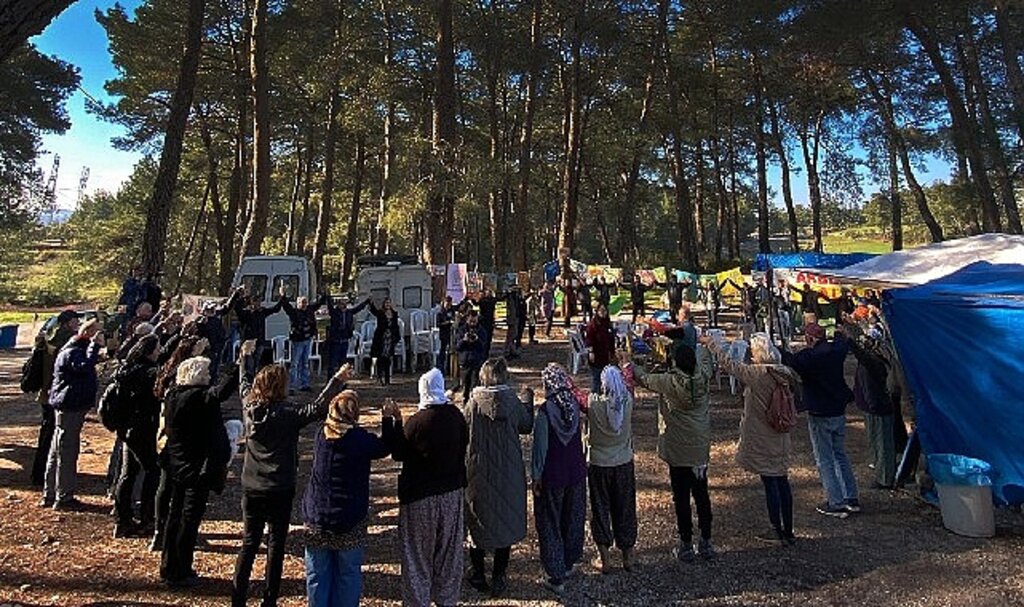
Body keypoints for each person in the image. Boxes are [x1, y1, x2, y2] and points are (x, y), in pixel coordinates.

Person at [231, 341, 351, 607]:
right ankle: (269, 598)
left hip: (252, 484)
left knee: (249, 542)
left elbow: (243, 383)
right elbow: (318, 408)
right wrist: (337, 380)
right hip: (280, 485)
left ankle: (237, 598)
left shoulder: (249, 407)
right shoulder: (288, 414)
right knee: (276, 544)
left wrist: (244, 359)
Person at [303, 390, 399, 607]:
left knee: (317, 575)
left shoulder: (321, 435)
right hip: (349, 518)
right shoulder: (357, 439)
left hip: (316, 516)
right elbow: (384, 447)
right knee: (347, 575)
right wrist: (387, 418)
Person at [703, 334, 801, 545]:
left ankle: (776, 528)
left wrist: (712, 344)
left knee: (770, 481)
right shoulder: (784, 372)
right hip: (781, 434)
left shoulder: (758, 374)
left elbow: (730, 365)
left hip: (763, 435)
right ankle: (788, 529)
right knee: (782, 480)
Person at [390, 368, 469, 607]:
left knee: (417, 556)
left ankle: (418, 601)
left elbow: (398, 453)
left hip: (420, 497)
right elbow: (464, 443)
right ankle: (446, 599)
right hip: (451, 493)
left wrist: (396, 422)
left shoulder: (417, 422)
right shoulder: (456, 416)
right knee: (448, 554)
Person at [630, 344, 716, 562]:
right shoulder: (703, 376)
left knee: (681, 497)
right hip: (699, 446)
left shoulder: (669, 381)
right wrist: (700, 343)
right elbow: (705, 356)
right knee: (702, 494)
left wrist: (629, 365)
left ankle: (686, 543)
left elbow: (644, 378)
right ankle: (706, 540)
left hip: (678, 448)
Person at [159, 355, 237, 588]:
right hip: (195, 469)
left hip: (176, 465)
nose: (209, 377)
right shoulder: (197, 398)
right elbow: (221, 392)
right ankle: (180, 570)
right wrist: (238, 364)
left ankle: (169, 565)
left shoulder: (173, 395)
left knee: (175, 516)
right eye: (205, 373)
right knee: (188, 520)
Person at [462, 358, 534, 598]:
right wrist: (528, 399)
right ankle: (499, 574)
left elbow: (463, 430)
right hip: (508, 467)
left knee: (477, 519)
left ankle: (478, 572)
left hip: (478, 467)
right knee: (505, 518)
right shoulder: (512, 401)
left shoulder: (473, 402)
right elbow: (526, 425)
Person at [782, 322, 859, 518]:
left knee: (824, 459)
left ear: (809, 338)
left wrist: (779, 349)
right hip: (838, 409)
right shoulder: (836, 351)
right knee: (840, 454)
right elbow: (843, 341)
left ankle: (835, 501)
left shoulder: (809, 358)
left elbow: (789, 360)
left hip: (819, 412)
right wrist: (840, 332)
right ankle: (851, 496)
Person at [532, 364, 587, 594]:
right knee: (571, 518)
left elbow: (540, 448)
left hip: (553, 474)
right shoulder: (573, 405)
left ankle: (555, 574)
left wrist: (536, 475)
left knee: (550, 522)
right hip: (575, 472)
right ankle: (568, 561)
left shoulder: (546, 412)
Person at [42, 318, 104, 510]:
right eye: (98, 334)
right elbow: (84, 367)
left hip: (69, 404)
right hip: (70, 406)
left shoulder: (74, 349)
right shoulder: (73, 352)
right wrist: (94, 346)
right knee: (66, 451)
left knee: (58, 449)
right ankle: (63, 497)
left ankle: (51, 493)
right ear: (89, 334)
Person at [585, 365, 637, 573]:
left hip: (599, 463)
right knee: (625, 507)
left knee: (600, 509)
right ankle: (627, 555)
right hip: (623, 461)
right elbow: (629, 379)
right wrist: (625, 364)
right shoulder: (627, 402)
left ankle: (604, 557)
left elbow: (576, 395)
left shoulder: (593, 404)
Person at [113, 334, 163, 538]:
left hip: (126, 428)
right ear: (149, 352)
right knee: (152, 471)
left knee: (128, 473)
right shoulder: (149, 374)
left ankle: (121, 519)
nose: (159, 352)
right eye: (157, 349)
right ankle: (147, 518)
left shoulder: (126, 369)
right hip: (143, 428)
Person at [843, 319, 896, 489]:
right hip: (871, 405)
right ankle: (881, 472)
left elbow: (862, 356)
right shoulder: (874, 358)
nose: (865, 343)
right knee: (876, 442)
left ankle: (885, 478)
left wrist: (849, 340)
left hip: (878, 406)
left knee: (883, 445)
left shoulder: (876, 360)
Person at [31, 309, 79, 486]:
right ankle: (48, 477)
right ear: (67, 323)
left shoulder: (48, 338)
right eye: (75, 321)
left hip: (46, 393)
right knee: (55, 436)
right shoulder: (66, 341)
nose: (77, 325)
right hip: (57, 393)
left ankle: (39, 473)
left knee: (47, 433)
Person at [281, 291, 326, 393]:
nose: (304, 304)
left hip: (307, 340)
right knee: (295, 364)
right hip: (298, 341)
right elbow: (286, 306)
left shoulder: (309, 310)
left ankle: (304, 384)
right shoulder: (294, 312)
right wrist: (283, 295)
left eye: (305, 302)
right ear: (297, 304)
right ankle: (292, 386)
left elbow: (318, 304)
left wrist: (324, 294)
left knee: (305, 363)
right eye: (302, 302)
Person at [233, 288, 285, 368]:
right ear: (252, 302)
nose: (259, 304)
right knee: (248, 363)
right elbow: (237, 308)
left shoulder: (262, 312)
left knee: (256, 362)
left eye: (259, 302)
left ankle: (255, 374)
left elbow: (275, 309)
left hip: (260, 341)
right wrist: (240, 296)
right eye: (257, 302)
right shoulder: (246, 313)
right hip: (249, 342)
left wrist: (282, 297)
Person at [324, 293, 371, 377]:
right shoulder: (334, 312)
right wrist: (327, 297)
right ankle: (330, 380)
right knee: (332, 363)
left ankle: (341, 380)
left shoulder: (349, 312)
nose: (343, 305)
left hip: (344, 340)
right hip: (335, 341)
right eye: (341, 303)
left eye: (345, 303)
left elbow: (358, 308)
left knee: (343, 363)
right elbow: (330, 306)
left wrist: (366, 302)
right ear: (338, 305)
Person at [456, 311, 488, 403]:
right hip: (465, 361)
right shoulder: (461, 330)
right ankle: (465, 402)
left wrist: (477, 340)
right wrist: (464, 340)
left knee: (475, 386)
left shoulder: (482, 331)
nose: (472, 324)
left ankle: (474, 403)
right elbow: (457, 347)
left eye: (474, 321)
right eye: (471, 321)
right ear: (467, 319)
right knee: (465, 385)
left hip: (476, 361)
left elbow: (483, 347)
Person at [368, 297, 401, 386]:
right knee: (380, 358)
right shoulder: (380, 313)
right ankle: (380, 377)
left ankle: (387, 379)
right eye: (386, 303)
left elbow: (396, 326)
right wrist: (370, 303)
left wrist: (397, 337)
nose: (387, 304)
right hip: (381, 338)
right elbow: (373, 311)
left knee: (388, 359)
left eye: (389, 303)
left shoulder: (394, 313)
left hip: (390, 338)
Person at [585, 304, 615, 393]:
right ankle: (595, 396)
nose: (603, 313)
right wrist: (591, 352)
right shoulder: (593, 324)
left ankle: (603, 396)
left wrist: (612, 352)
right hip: (596, 354)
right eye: (601, 311)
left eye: (604, 311)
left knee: (606, 377)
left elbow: (611, 338)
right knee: (597, 378)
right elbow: (589, 339)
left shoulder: (607, 323)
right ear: (597, 312)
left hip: (605, 354)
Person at [475, 288, 499, 353]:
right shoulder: (491, 301)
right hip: (488, 320)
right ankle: (486, 350)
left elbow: (476, 303)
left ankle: (484, 350)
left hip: (484, 320)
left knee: (484, 336)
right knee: (488, 336)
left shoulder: (482, 301)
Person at [435, 296, 455, 374]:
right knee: (442, 351)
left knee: (450, 350)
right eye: (447, 303)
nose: (448, 305)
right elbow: (438, 324)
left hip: (450, 333)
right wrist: (446, 323)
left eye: (450, 303)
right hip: (443, 333)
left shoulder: (451, 311)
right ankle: (440, 367)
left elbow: (453, 318)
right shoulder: (440, 313)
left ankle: (449, 368)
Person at [503, 287, 523, 359]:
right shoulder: (511, 299)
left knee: (513, 335)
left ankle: (512, 350)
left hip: (515, 318)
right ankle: (507, 351)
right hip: (512, 319)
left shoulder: (515, 298)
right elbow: (511, 310)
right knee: (510, 336)